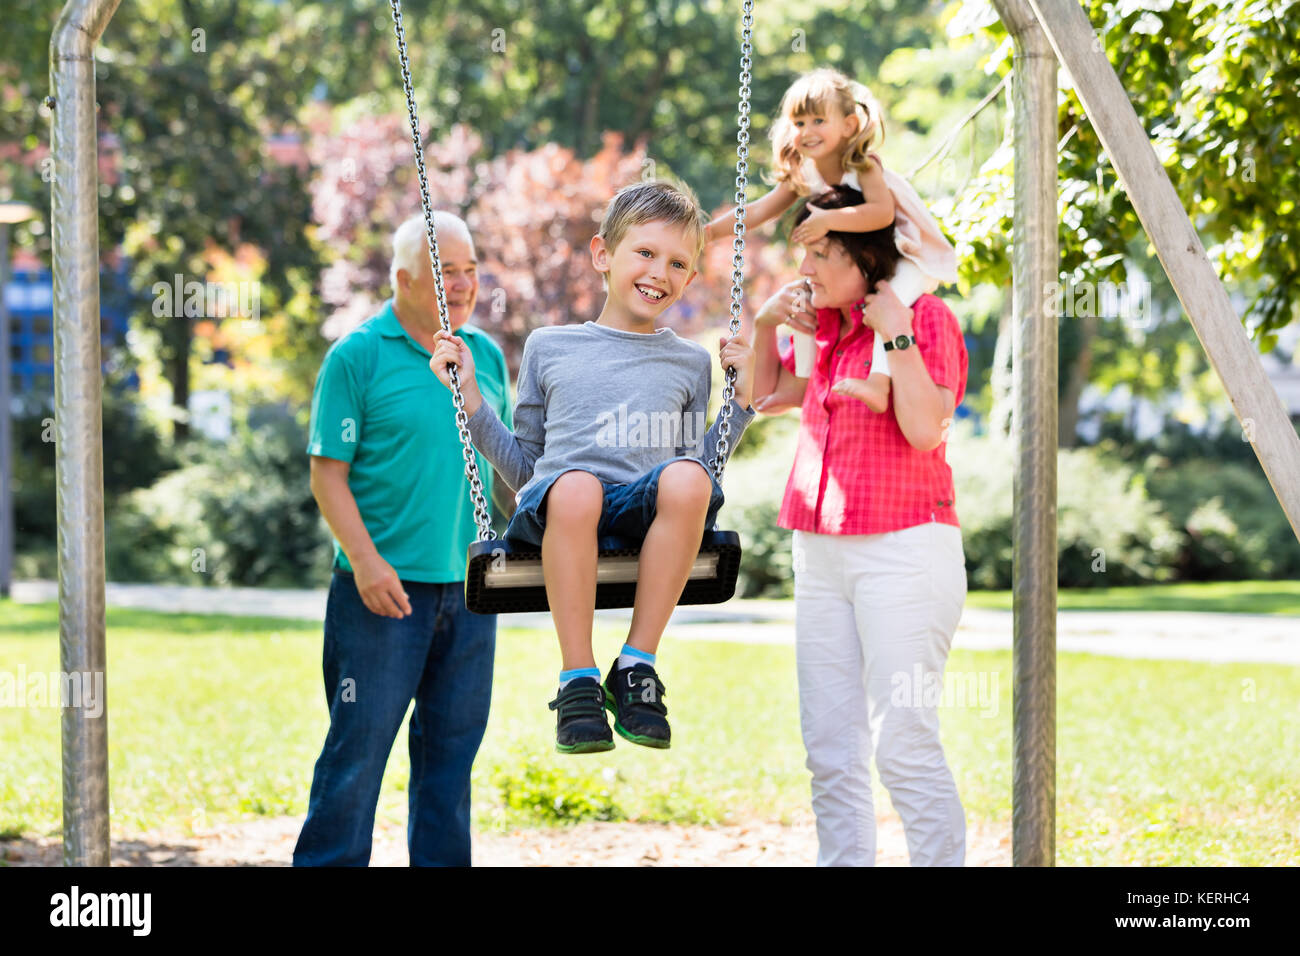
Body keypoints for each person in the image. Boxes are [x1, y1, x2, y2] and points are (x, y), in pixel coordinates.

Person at [430, 179, 756, 755]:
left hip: (642, 512)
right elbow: (527, 467)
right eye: (646, 253)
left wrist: (741, 404)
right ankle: (577, 678)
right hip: (561, 510)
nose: (660, 272)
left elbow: (695, 474)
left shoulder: (688, 360)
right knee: (577, 487)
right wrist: (474, 403)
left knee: (686, 477)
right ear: (604, 254)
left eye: (678, 262)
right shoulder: (549, 347)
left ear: (690, 277)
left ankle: (635, 668)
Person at [750, 185, 969, 867]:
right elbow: (763, 396)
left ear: (869, 257)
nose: (806, 268)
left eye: (823, 252)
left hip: (903, 548)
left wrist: (895, 332)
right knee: (831, 749)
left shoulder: (925, 318)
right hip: (818, 552)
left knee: (903, 744)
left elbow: (924, 429)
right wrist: (764, 327)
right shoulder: (829, 332)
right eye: (803, 253)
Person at [293, 213, 514, 867]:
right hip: (383, 596)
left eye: (473, 268)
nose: (466, 283)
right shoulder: (357, 357)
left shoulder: (487, 356)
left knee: (450, 765)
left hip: (472, 595)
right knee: (356, 758)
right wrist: (364, 562)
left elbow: (504, 467)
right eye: (449, 270)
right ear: (404, 278)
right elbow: (326, 473)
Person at [706, 67, 957, 413]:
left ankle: (879, 383)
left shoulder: (863, 165)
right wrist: (708, 232)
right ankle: (802, 385)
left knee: (889, 306)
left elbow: (881, 213)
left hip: (912, 255)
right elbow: (761, 209)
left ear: (849, 126)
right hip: (873, 255)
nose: (807, 132)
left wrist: (827, 220)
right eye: (799, 123)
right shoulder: (807, 171)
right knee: (808, 302)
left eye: (818, 120)